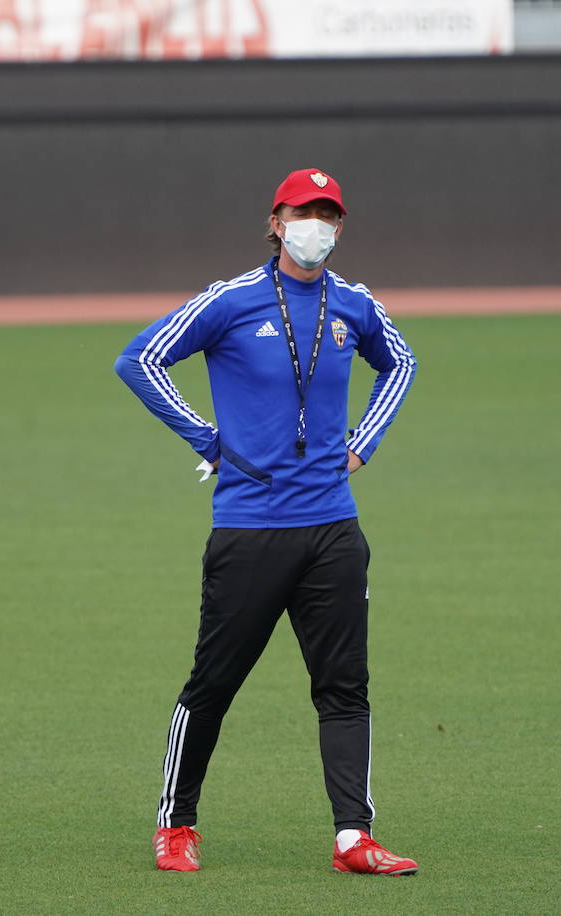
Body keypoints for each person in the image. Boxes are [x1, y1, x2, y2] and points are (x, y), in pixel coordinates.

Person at [114, 168, 419, 874]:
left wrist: (363, 444)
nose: (316, 226)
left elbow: (400, 363)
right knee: (213, 685)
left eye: (328, 215)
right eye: (303, 212)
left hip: (333, 530)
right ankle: (176, 825)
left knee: (344, 688)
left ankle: (353, 837)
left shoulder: (354, 304)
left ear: (339, 228)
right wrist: (208, 440)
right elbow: (141, 359)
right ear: (276, 222)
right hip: (250, 529)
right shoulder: (231, 299)